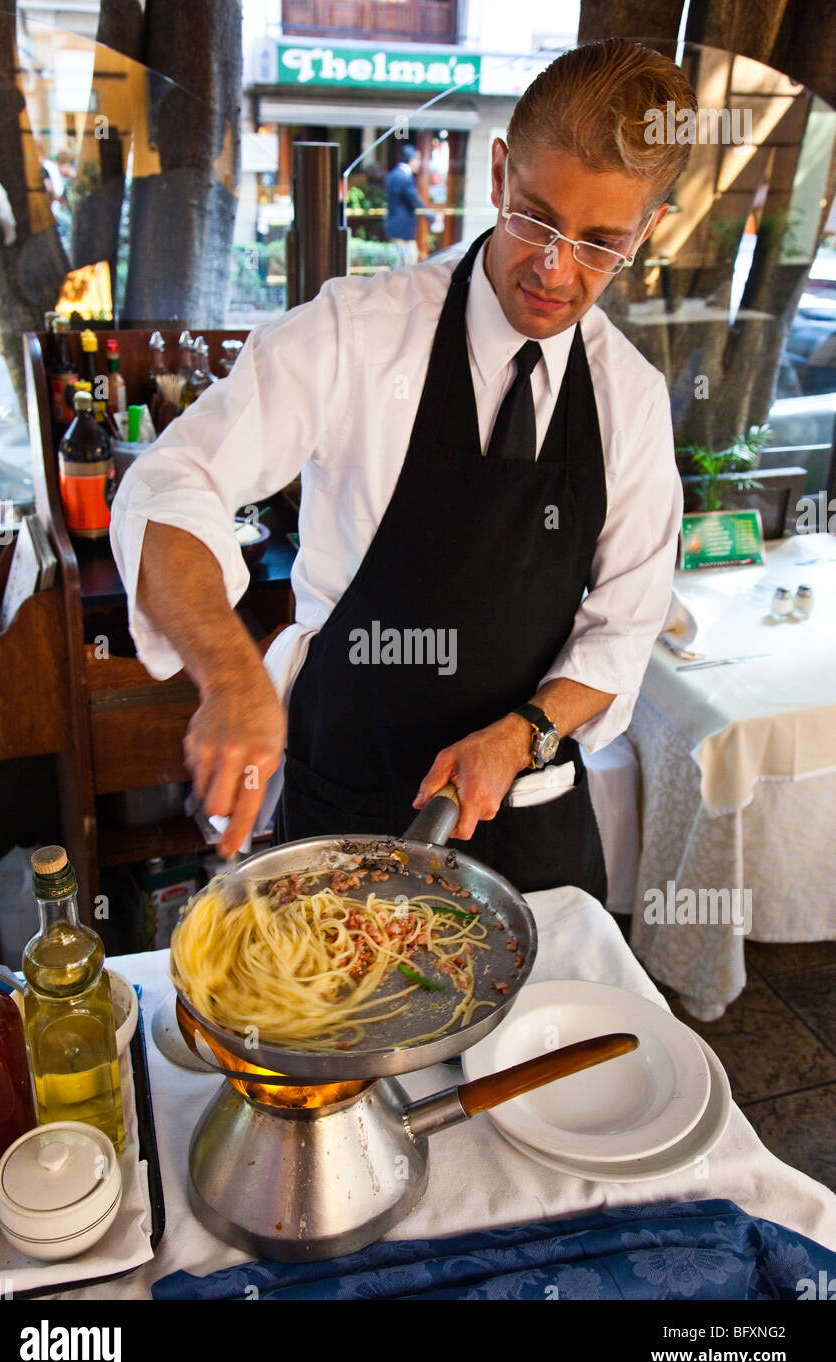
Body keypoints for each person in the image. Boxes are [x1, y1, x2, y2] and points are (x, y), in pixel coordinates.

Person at [110, 37, 695, 899]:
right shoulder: (359, 332)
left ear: (647, 229)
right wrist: (230, 671)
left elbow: (623, 629)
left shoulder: (631, 402)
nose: (555, 267)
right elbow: (172, 482)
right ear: (498, 175)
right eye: (536, 218)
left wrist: (527, 730)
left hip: (525, 814)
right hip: (348, 795)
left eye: (601, 243)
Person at [383, 142, 424, 265]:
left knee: (400, 263)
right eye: (418, 160)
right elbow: (414, 200)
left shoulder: (392, 174)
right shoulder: (404, 177)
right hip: (403, 228)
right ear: (411, 160)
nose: (419, 163)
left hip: (394, 225)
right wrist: (431, 215)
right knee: (408, 263)